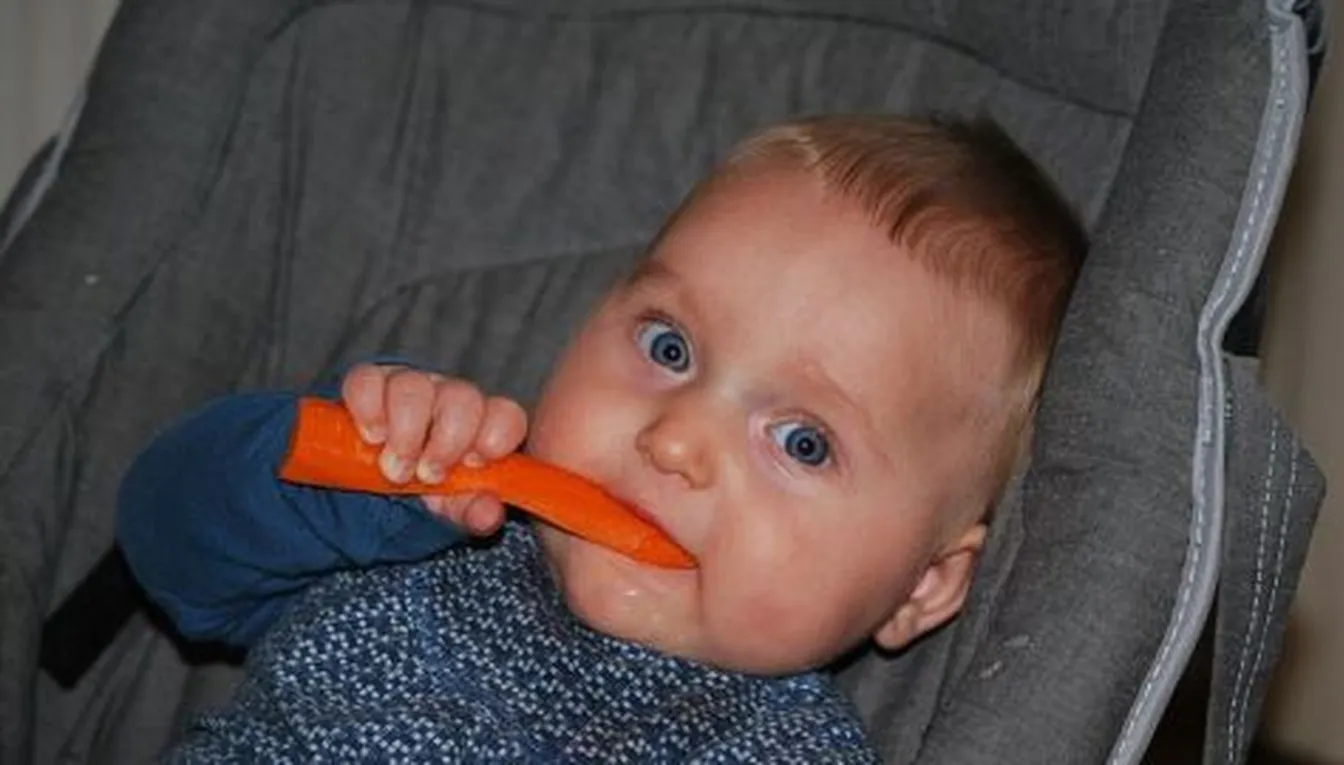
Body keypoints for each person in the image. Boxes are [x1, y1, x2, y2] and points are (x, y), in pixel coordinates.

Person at [118, 114, 1086, 762]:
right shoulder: (425, 521)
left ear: (922, 586)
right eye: (669, 347)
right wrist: (345, 484)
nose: (675, 441)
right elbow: (164, 545)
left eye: (802, 442)